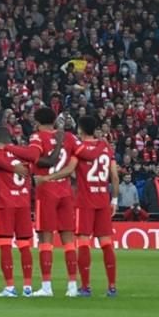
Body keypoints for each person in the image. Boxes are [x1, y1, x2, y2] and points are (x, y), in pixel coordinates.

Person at [47, 117, 118, 297]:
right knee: (106, 243)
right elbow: (115, 176)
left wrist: (49, 177)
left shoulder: (79, 149)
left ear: (80, 129)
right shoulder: (105, 147)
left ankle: (85, 287)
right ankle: (111, 287)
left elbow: (69, 170)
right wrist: (115, 199)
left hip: (85, 202)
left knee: (84, 243)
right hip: (103, 200)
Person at [13, 107, 78, 297]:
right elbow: (78, 157)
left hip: (46, 191)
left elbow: (33, 156)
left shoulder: (37, 137)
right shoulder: (69, 137)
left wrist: (11, 149)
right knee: (68, 240)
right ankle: (72, 286)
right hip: (65, 190)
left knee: (45, 240)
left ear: (37, 121)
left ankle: (47, 286)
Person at [0, 127, 36, 297]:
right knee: (24, 245)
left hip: (6, 204)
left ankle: (10, 287)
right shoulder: (23, 154)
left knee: (5, 245)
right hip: (24, 204)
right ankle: (28, 287)